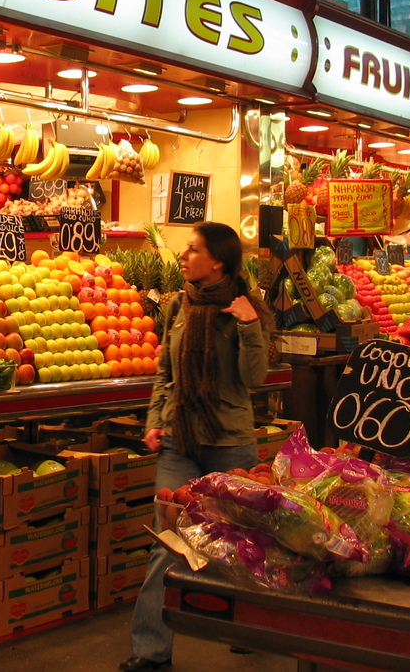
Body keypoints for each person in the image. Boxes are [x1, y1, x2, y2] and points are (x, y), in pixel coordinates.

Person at [120, 221, 271, 672]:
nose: (184, 257)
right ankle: (150, 652)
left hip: (229, 442)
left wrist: (247, 326)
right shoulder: (177, 308)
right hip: (179, 441)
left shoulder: (246, 308)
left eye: (192, 250)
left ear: (218, 260)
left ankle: (253, 627)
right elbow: (165, 373)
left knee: (244, 545)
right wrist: (154, 421)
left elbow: (254, 378)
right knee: (166, 543)